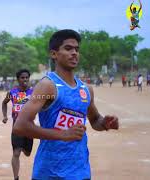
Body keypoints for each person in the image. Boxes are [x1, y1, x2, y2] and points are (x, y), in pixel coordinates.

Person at [12, 29, 119, 180]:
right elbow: (20, 126)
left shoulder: (86, 89)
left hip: (80, 172)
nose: (74, 53)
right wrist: (63, 134)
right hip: (49, 173)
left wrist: (105, 123)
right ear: (54, 54)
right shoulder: (47, 86)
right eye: (68, 48)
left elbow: (94, 120)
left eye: (76, 49)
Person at [2, 69, 34, 180]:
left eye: (27, 77)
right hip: (17, 126)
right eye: (22, 77)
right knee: (16, 152)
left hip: (30, 126)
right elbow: (4, 103)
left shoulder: (33, 92)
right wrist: (5, 116)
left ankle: (25, 148)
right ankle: (16, 177)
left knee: (28, 153)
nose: (25, 79)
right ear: (18, 79)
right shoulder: (12, 92)